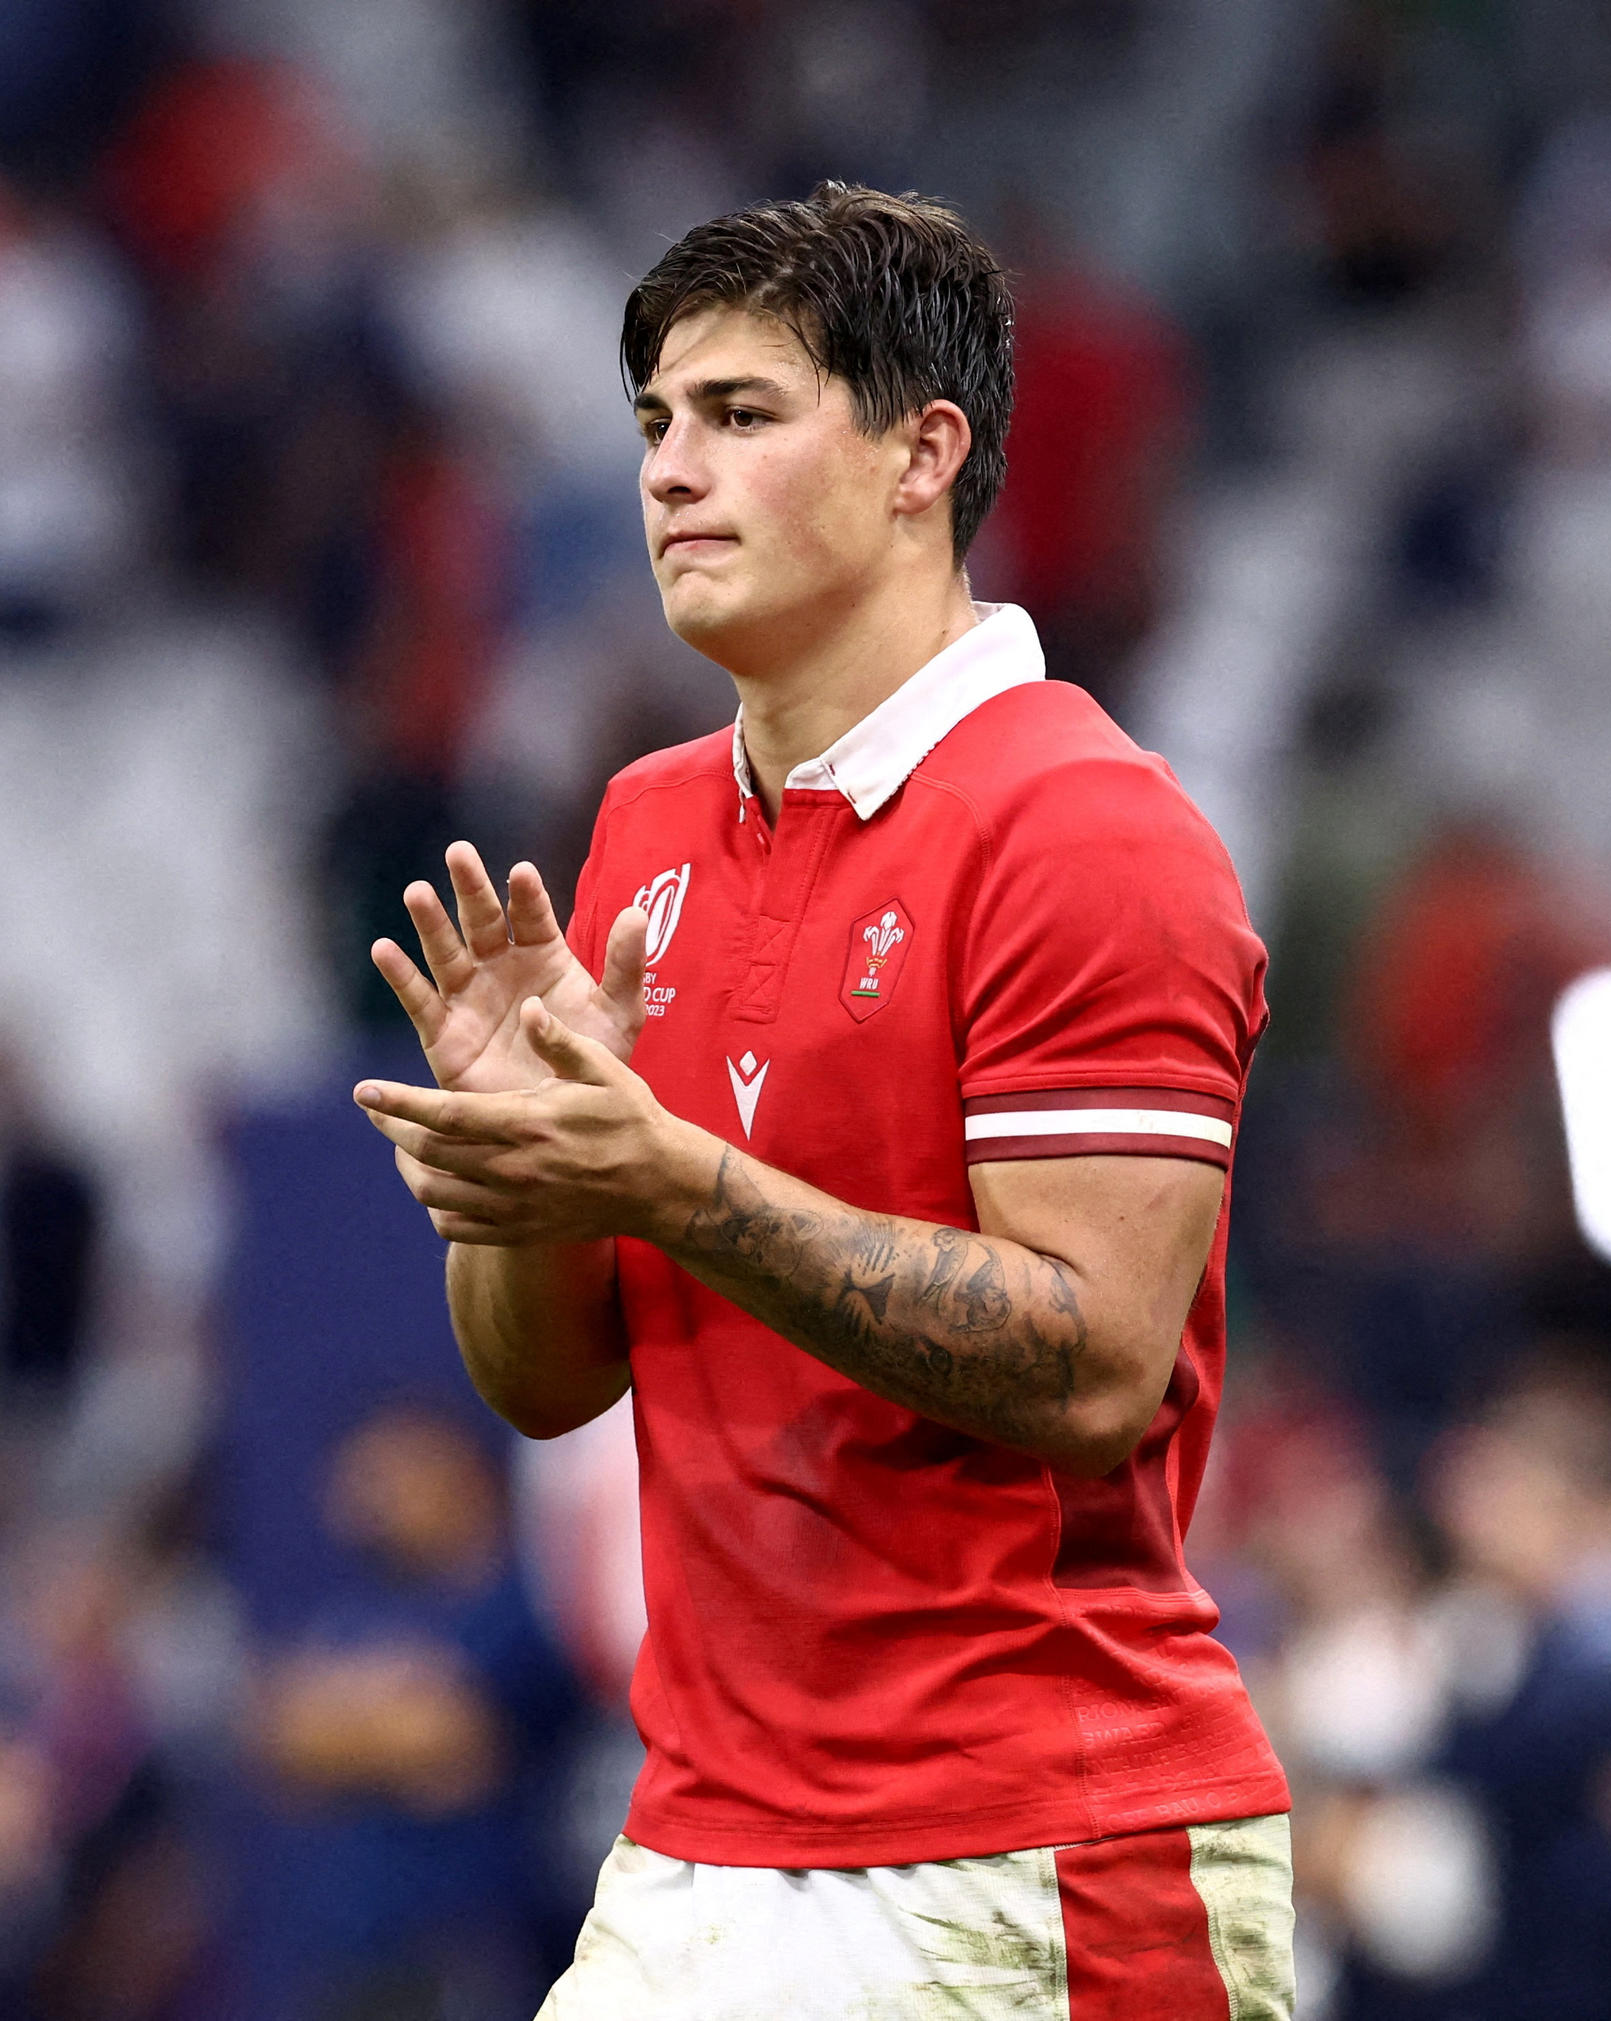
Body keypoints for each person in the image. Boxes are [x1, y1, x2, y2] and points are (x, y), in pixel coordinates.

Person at [352, 183, 1292, 2019]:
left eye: (742, 414)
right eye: (652, 425)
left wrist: (679, 1178)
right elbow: (548, 1386)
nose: (669, 474)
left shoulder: (1090, 833)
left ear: (921, 452)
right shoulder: (642, 827)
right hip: (706, 1848)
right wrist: (527, 1183)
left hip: (1034, 1854)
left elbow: (1099, 1363)